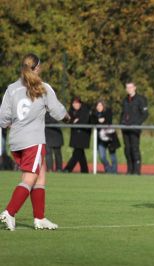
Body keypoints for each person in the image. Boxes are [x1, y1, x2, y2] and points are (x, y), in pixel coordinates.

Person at [0, 53, 70, 231]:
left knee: (40, 175)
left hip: (15, 141)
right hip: (33, 140)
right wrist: (68, 117)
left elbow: (3, 119)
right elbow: (57, 111)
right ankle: (9, 211)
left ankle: (39, 218)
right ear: (37, 68)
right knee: (29, 178)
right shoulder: (42, 87)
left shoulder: (11, 88)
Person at [120, 81, 148, 175]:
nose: (129, 89)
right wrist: (122, 122)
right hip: (125, 128)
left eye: (130, 87)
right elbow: (122, 113)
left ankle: (137, 171)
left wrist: (136, 123)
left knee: (134, 149)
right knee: (127, 149)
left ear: (135, 87)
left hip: (135, 129)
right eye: (127, 87)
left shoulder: (140, 99)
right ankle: (129, 170)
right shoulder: (125, 100)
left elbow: (145, 114)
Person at [63, 96, 91, 173]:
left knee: (77, 152)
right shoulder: (71, 111)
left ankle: (67, 169)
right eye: (74, 103)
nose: (76, 105)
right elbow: (68, 120)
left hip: (83, 135)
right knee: (80, 153)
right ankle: (85, 171)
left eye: (77, 103)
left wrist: (76, 121)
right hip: (75, 135)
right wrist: (74, 121)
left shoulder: (85, 110)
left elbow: (85, 121)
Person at [92, 100, 120, 174]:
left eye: (100, 105)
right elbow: (92, 121)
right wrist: (98, 120)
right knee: (102, 156)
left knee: (112, 156)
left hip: (110, 138)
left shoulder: (108, 112)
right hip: (100, 139)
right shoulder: (94, 114)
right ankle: (108, 169)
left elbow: (108, 120)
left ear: (103, 106)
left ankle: (114, 171)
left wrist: (102, 121)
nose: (99, 107)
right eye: (97, 106)